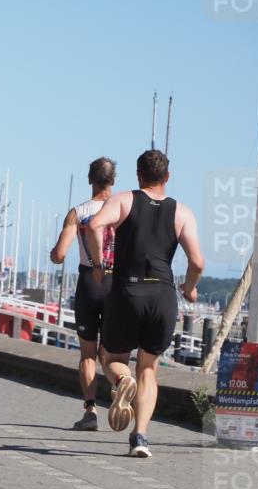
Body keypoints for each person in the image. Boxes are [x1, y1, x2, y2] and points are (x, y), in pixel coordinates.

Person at [86, 150, 204, 458]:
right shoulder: (183, 213)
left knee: (111, 357)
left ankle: (123, 380)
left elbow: (95, 225)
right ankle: (140, 438)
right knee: (149, 369)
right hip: (162, 295)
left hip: (127, 290)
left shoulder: (124, 200)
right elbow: (198, 262)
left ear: (139, 176)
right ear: (167, 177)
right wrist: (189, 289)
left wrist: (99, 264)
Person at [50, 157, 117, 430]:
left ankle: (90, 412)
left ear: (90, 179)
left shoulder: (78, 213)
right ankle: (120, 389)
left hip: (89, 282)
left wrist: (53, 255)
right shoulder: (123, 209)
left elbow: (60, 254)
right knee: (113, 354)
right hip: (117, 283)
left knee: (88, 353)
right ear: (113, 181)